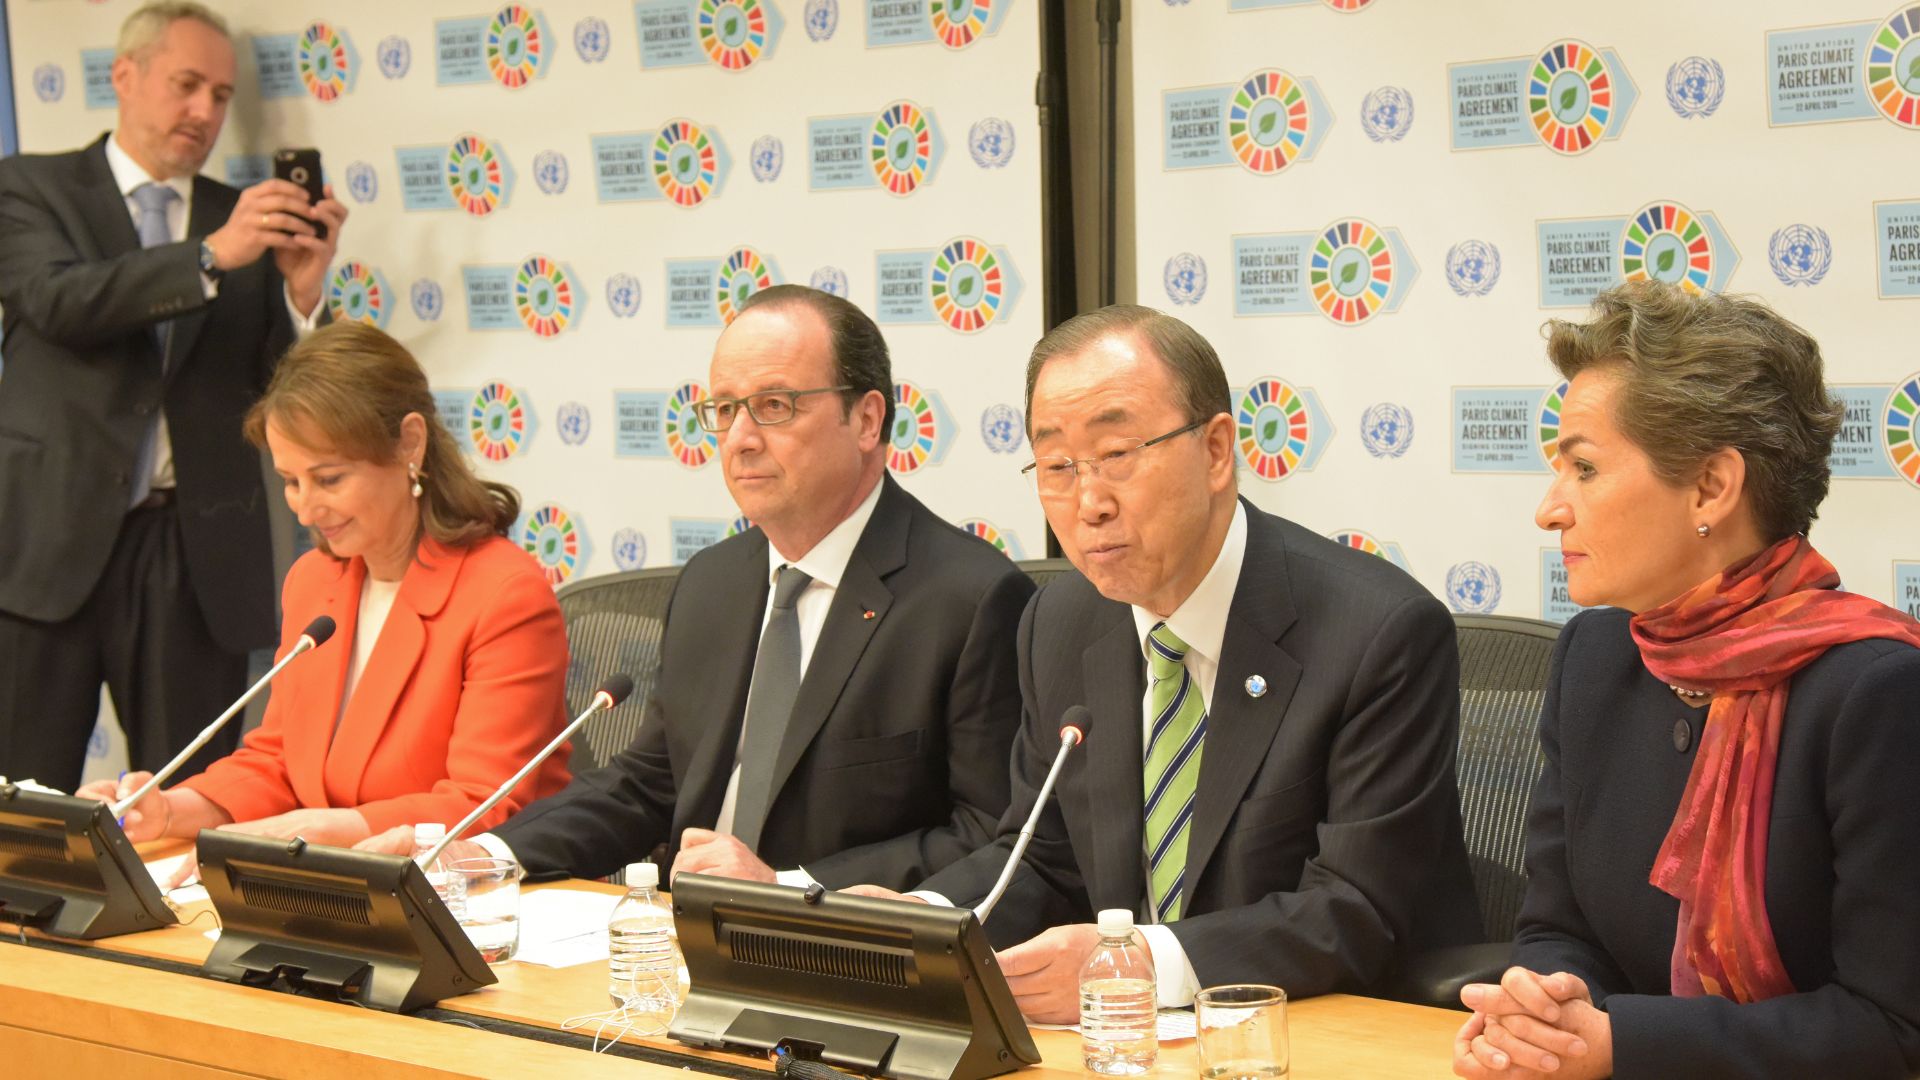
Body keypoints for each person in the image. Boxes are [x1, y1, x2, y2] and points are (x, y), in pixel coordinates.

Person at [853, 305, 1481, 1021]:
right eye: (1057, 467)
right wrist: (924, 919)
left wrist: (1136, 964)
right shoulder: (1057, 623)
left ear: (1215, 450)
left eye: (1117, 455)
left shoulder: (1376, 631)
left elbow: (1357, 908)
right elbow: (1045, 859)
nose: (1089, 503)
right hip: (1129, 1045)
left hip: (1325, 1032)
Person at [359, 285, 1033, 892]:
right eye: (724, 409)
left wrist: (788, 886)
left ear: (866, 420)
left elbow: (991, 837)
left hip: (844, 955)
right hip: (680, 945)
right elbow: (649, 785)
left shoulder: (970, 600)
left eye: (774, 406)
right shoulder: (715, 582)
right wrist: (486, 855)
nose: (739, 439)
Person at [1451, 283, 1920, 1080]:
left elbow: (1895, 1030)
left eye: (1585, 468)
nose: (1550, 509)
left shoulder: (1877, 694)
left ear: (1710, 488)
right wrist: (1549, 1010)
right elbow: (1558, 929)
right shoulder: (1593, 656)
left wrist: (1620, 1045)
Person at [0, 1, 348, 791]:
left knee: (189, 798)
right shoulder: (29, 187)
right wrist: (209, 257)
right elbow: (59, 301)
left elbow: (289, 393)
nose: (204, 111)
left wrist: (303, 295)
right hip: (45, 545)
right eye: (186, 85)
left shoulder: (245, 217)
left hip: (193, 556)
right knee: (22, 803)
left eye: (220, 96)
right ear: (124, 75)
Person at [80, 322, 573, 853]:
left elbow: (487, 804)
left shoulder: (503, 594)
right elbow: (278, 762)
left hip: (468, 889)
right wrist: (169, 810)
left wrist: (337, 829)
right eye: (291, 482)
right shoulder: (315, 580)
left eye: (329, 479)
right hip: (334, 883)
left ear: (410, 443)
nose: (306, 509)